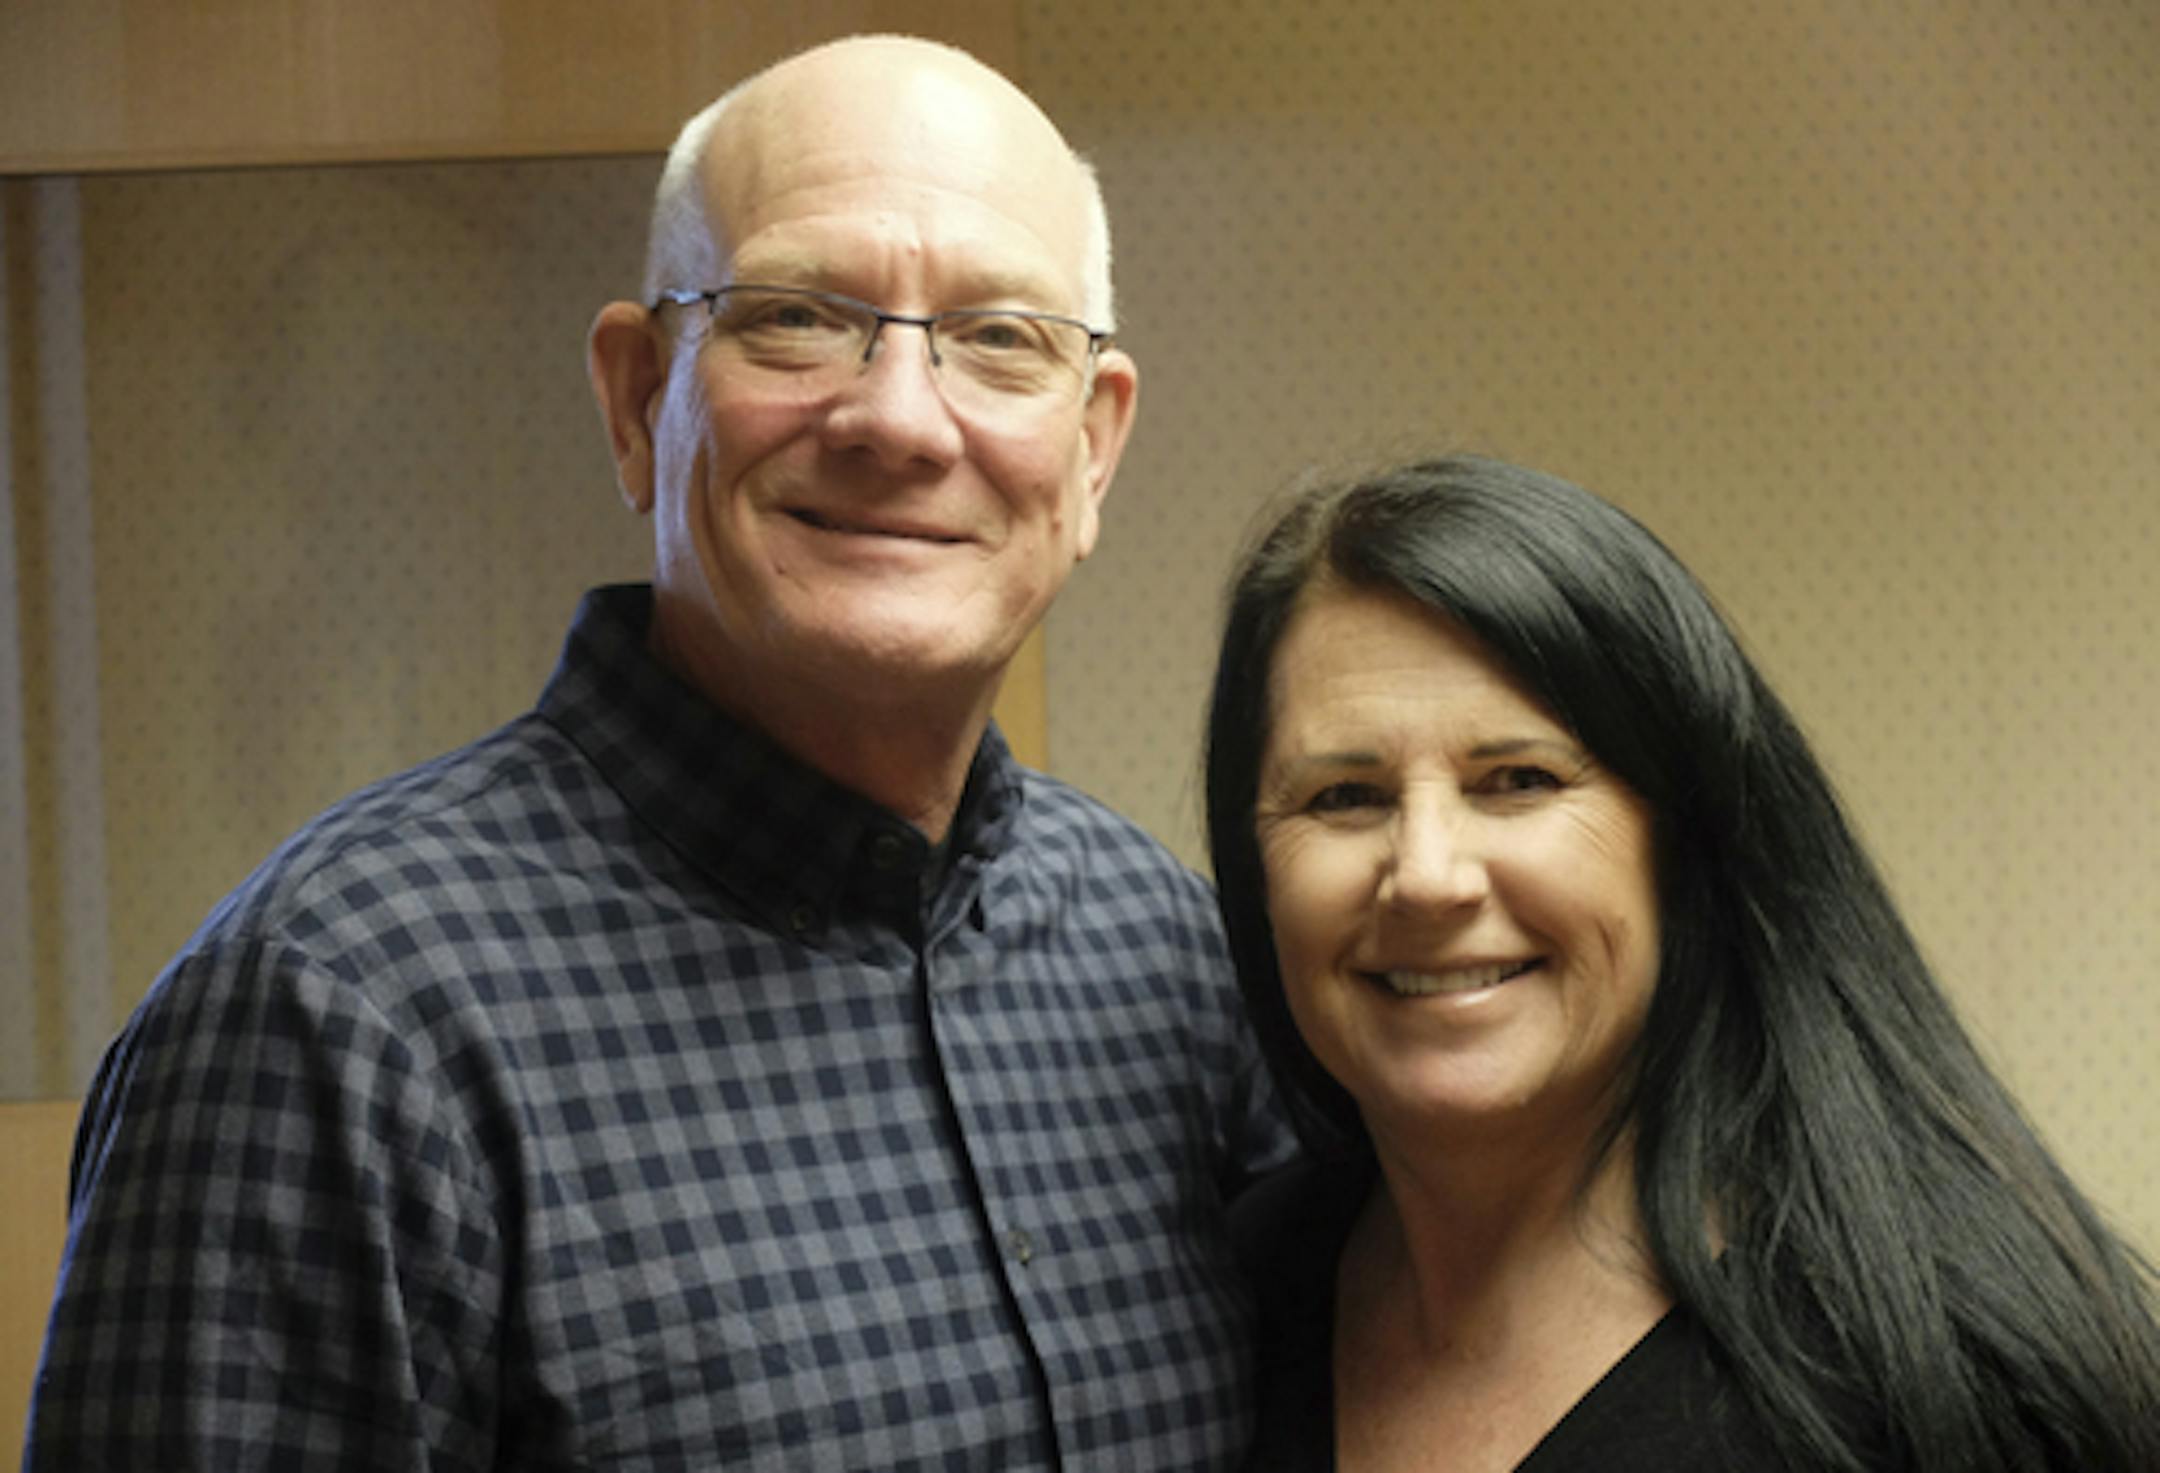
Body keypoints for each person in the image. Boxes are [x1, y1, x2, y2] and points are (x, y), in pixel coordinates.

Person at [27, 35, 1292, 1472]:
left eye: (1001, 338)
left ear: (1093, 452)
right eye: (799, 316)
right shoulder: (332, 1018)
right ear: (638, 398)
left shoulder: (1173, 960)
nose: (895, 415)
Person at [1205, 455, 2160, 1470]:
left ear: (1681, 842)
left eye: (1518, 780)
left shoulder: (1951, 1381)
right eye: (1344, 797)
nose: (1429, 877)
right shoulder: (1239, 1294)